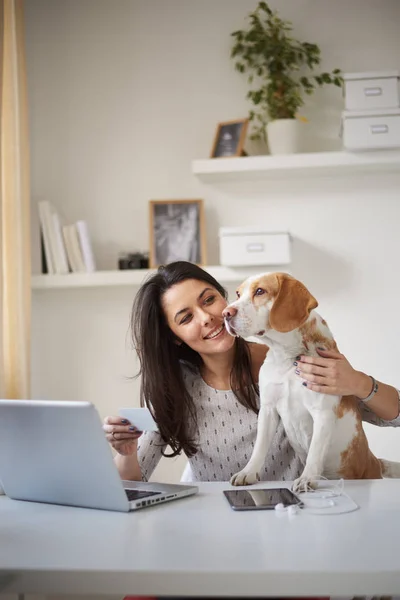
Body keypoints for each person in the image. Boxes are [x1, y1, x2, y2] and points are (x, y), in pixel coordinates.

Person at [103, 261, 400, 484]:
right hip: (213, 524)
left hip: (293, 514)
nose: (207, 317)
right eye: (186, 317)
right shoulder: (176, 388)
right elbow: (130, 482)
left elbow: (395, 416)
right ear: (174, 336)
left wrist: (358, 382)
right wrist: (126, 451)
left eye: (209, 300)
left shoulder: (293, 358)